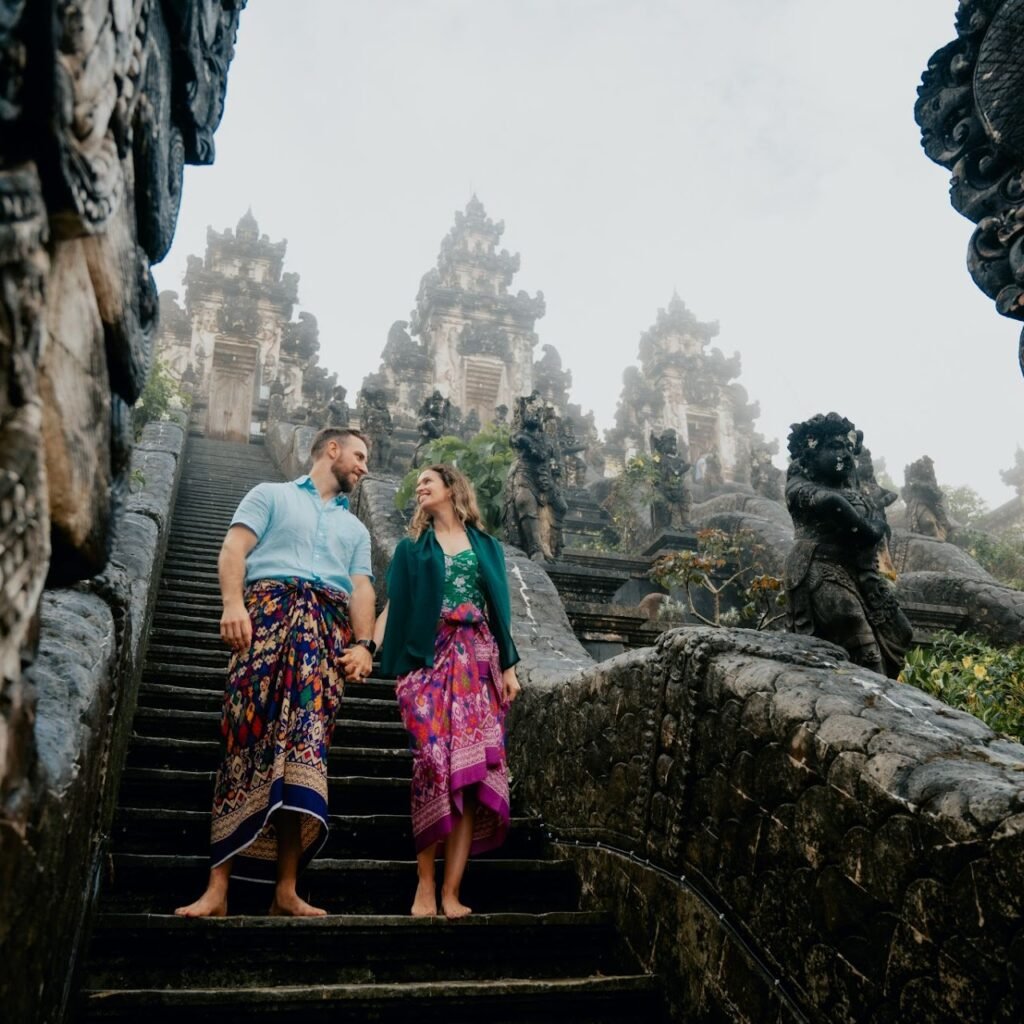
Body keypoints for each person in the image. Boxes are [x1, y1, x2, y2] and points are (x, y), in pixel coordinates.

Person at [175, 428, 377, 918]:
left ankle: (285, 890)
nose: (364, 466)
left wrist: (365, 646)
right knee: (243, 742)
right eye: (359, 456)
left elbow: (362, 589)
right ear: (332, 449)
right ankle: (217, 889)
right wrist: (231, 604)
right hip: (263, 620)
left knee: (302, 754)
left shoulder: (356, 530)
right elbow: (233, 549)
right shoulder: (270, 495)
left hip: (323, 639)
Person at [373, 464, 521, 919]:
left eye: (427, 482)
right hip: (427, 659)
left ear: (452, 488)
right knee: (434, 764)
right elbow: (394, 606)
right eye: (417, 482)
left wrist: (511, 667)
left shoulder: (487, 548)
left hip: (478, 660)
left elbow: (500, 608)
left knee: (471, 777)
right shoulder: (410, 551)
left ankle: (451, 892)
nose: (419, 487)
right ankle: (424, 884)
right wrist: (367, 648)